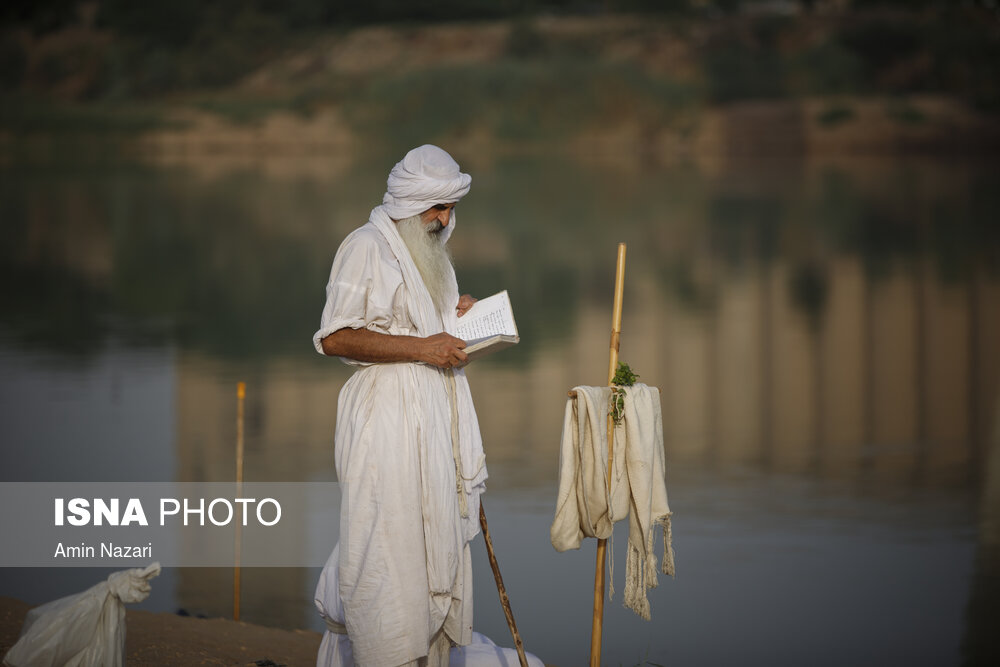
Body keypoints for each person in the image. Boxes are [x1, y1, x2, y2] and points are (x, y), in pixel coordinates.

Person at [312, 145, 489, 667]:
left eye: (450, 208)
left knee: (433, 545)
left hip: (434, 418)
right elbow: (335, 337)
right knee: (387, 547)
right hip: (384, 422)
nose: (444, 219)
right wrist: (423, 347)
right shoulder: (364, 246)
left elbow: (427, 332)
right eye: (436, 208)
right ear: (409, 203)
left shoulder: (432, 255)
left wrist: (459, 321)